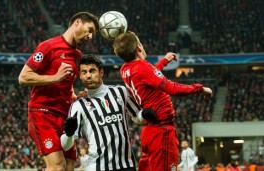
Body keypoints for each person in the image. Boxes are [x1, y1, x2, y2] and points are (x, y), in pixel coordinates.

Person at [112, 31, 213, 171]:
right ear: (138, 48)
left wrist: (164, 61)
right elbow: (172, 88)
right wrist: (200, 88)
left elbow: (148, 76)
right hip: (162, 131)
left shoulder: (125, 69)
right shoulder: (142, 67)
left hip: (149, 132)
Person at [18, 12, 99, 171]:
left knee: (69, 168)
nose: (90, 36)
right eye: (89, 30)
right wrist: (55, 77)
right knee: (57, 167)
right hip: (43, 112)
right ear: (77, 22)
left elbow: (66, 87)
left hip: (65, 118)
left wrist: (77, 97)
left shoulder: (77, 55)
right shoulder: (48, 46)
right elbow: (23, 77)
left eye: (92, 34)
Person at [60, 54, 157, 171]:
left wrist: (144, 114)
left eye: (92, 71)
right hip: (97, 167)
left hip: (126, 166)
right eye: (84, 72)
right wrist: (69, 134)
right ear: (80, 76)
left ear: (101, 72)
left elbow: (136, 117)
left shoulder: (120, 92)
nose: (88, 75)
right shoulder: (78, 106)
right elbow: (66, 145)